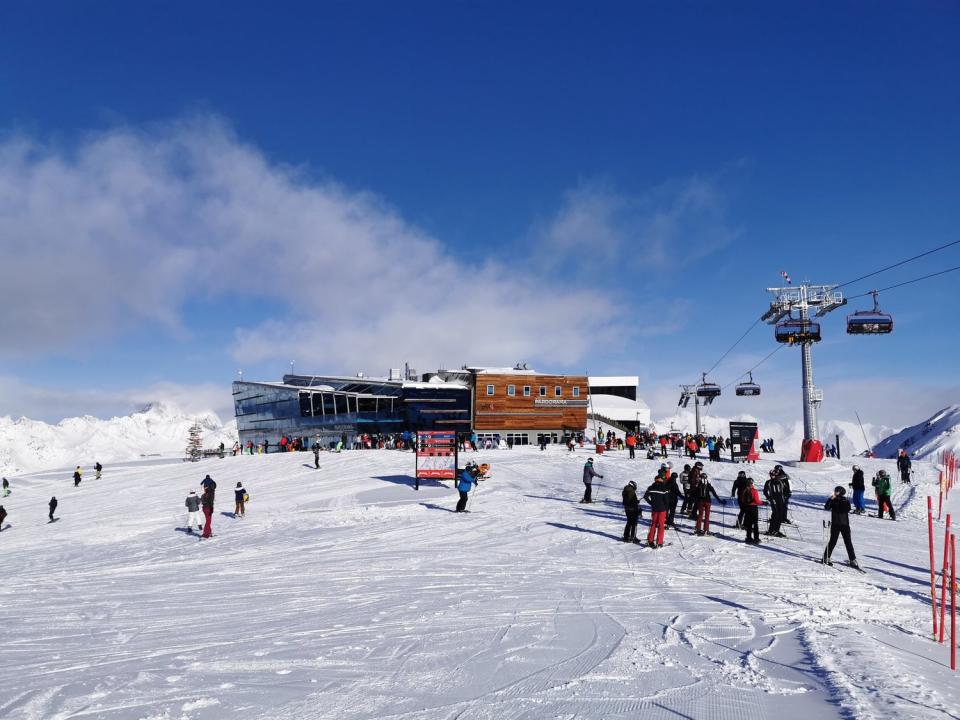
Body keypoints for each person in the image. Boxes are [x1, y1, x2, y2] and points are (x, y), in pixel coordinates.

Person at [823, 486, 860, 568]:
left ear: (840, 492)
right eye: (835, 491)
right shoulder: (833, 500)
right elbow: (827, 507)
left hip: (845, 525)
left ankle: (852, 559)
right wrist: (830, 499)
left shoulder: (845, 500)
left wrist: (839, 502)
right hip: (835, 524)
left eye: (837, 491)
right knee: (833, 541)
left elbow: (847, 509)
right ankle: (826, 557)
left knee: (848, 542)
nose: (835, 492)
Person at [644, 474, 671, 548]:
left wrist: (652, 503)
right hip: (662, 509)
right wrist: (667, 510)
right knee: (661, 526)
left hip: (654, 509)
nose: (664, 480)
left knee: (653, 524)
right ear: (659, 479)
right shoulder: (664, 488)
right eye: (663, 479)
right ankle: (659, 542)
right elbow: (667, 501)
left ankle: (650, 540)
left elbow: (645, 497)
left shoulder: (651, 487)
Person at [763, 470, 788, 537]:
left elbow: (786, 489)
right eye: (771, 475)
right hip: (773, 501)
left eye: (773, 475)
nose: (772, 476)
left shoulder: (780, 481)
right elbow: (765, 491)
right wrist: (769, 498)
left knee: (780, 516)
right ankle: (771, 530)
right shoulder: (768, 482)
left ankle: (776, 530)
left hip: (781, 501)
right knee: (775, 515)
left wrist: (785, 496)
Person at [739, 477, 762, 544]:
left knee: (749, 524)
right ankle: (756, 538)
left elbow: (743, 500)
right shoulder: (754, 491)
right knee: (755, 523)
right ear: (752, 483)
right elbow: (757, 501)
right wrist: (763, 503)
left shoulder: (745, 490)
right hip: (754, 508)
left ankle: (748, 538)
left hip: (747, 508)